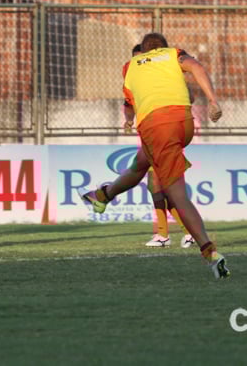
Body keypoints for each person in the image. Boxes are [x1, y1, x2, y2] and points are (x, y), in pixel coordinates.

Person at [80, 32, 230, 279]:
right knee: (140, 164)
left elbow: (130, 102)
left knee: (177, 195)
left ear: (143, 51)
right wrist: (213, 101)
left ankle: (210, 252)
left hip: (158, 128)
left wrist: (129, 119)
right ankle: (102, 195)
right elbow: (197, 68)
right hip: (184, 124)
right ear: (163, 47)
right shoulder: (174, 54)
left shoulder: (130, 67)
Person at [122, 43, 194, 249]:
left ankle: (168, 234)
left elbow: (191, 96)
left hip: (166, 136)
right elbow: (128, 105)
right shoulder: (133, 81)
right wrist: (129, 119)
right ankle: (180, 233)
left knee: (159, 186)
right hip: (150, 140)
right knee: (157, 188)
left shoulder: (163, 77)